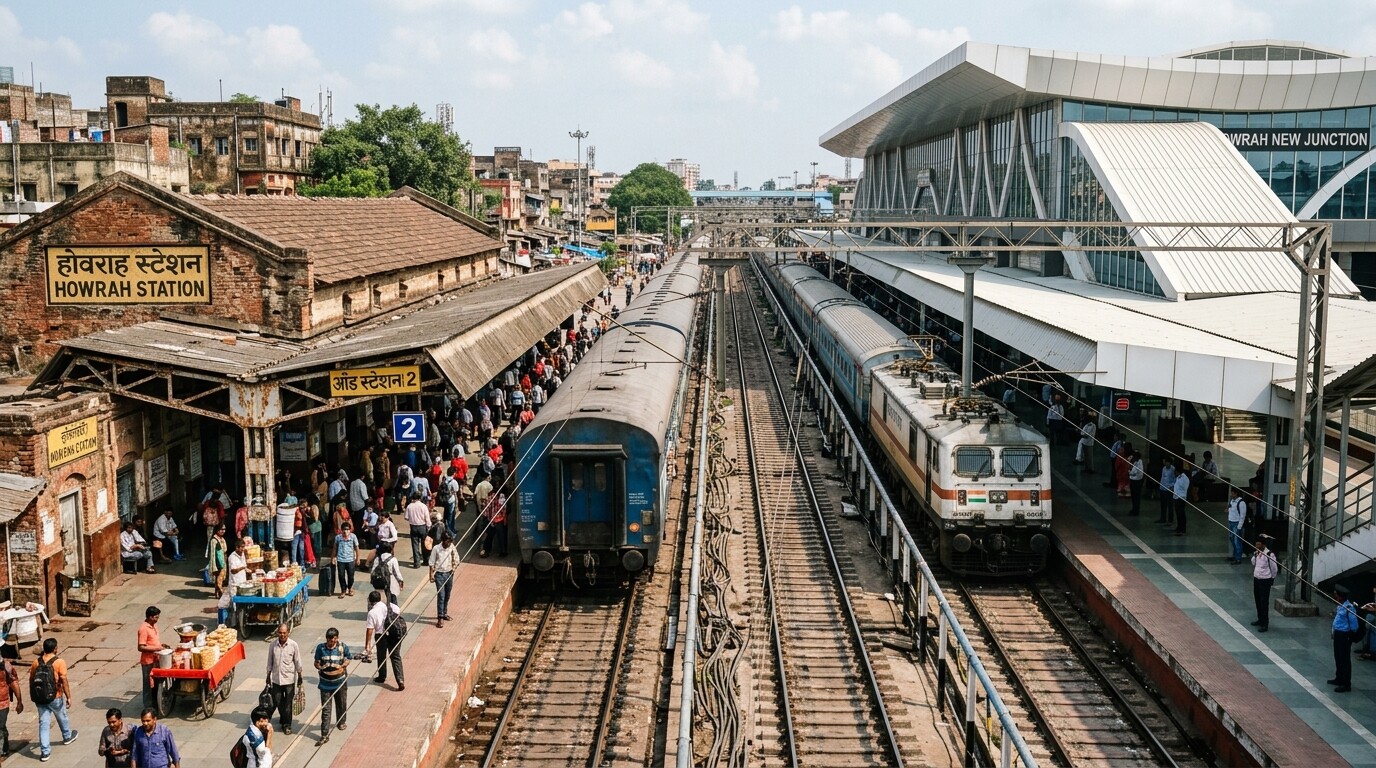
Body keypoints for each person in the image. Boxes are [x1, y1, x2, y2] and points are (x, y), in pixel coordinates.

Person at [29, 637, 76, 761]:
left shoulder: (36, 662)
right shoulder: (59, 662)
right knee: (62, 716)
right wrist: (69, 697)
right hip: (55, 696)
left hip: (40, 698)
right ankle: (67, 736)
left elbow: (32, 680)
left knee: (44, 724)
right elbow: (64, 680)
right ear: (55, 649)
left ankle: (45, 752)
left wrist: (34, 696)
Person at [313, 628, 354, 746]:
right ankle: (324, 734)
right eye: (330, 641)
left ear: (337, 638)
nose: (332, 643)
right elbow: (316, 662)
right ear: (327, 639)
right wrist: (319, 666)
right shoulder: (320, 648)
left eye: (334, 640)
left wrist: (343, 666)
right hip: (325, 683)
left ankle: (341, 721)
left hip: (340, 682)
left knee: (341, 702)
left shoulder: (342, 647)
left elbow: (349, 658)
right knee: (326, 710)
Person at [265, 623, 303, 735]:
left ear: (288, 633)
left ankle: (287, 725)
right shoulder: (273, 645)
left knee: (288, 704)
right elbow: (270, 661)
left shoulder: (293, 645)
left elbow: (297, 661)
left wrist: (300, 675)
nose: (282, 635)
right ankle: (283, 717)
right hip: (276, 680)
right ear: (278, 633)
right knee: (278, 701)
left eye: (284, 633)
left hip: (289, 680)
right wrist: (268, 675)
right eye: (280, 633)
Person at [364, 590, 404, 690]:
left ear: (370, 601)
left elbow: (369, 630)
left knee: (381, 656)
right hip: (394, 634)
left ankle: (382, 676)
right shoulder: (389, 606)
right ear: (379, 599)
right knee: (395, 657)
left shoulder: (372, 613)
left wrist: (367, 645)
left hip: (381, 635)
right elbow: (398, 611)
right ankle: (400, 680)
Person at [1329, 584, 1360, 693]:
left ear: (1341, 597)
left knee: (1345, 660)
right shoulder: (1340, 606)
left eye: (1336, 595)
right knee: (1338, 657)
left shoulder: (1349, 608)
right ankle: (1339, 678)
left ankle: (1346, 684)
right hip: (1338, 635)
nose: (1335, 596)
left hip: (1344, 636)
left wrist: (1348, 635)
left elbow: (1354, 626)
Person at [136, 606, 168, 712]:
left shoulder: (154, 626)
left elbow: (153, 641)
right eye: (156, 617)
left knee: (156, 684)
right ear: (150, 617)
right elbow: (141, 647)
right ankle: (148, 708)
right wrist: (157, 648)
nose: (157, 619)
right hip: (148, 661)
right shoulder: (143, 629)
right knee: (148, 685)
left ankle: (156, 705)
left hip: (156, 659)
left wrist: (161, 645)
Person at [0, 641, 23, 760]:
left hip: (2, 704)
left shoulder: (6, 666)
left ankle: (3, 752)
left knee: (0, 727)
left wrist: (19, 701)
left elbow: (14, 683)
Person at [430, 531, 458, 628]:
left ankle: (445, 613)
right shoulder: (436, 548)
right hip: (439, 575)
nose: (449, 543)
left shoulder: (452, 547)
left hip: (449, 573)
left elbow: (456, 558)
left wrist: (454, 567)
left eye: (450, 541)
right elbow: (431, 562)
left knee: (447, 595)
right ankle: (440, 617)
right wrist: (431, 575)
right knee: (441, 596)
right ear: (443, 540)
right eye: (447, 541)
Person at [1250, 537, 1279, 632]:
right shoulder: (1257, 553)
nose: (1257, 546)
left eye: (1259, 545)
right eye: (1256, 545)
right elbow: (1253, 563)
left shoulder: (1269, 555)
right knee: (1257, 600)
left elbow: (1274, 568)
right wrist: (1255, 555)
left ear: (1263, 545)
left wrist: (1272, 578)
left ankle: (1265, 623)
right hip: (1257, 579)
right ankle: (1260, 619)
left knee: (1264, 602)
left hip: (1265, 580)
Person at [222, 538, 249, 627]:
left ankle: (241, 621)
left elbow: (245, 565)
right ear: (236, 548)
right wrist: (243, 567)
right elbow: (233, 570)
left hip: (242, 583)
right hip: (234, 584)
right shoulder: (232, 557)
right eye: (241, 547)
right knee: (234, 606)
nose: (242, 549)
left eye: (243, 547)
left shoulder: (242, 555)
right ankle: (234, 625)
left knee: (242, 605)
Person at [404, 493, 430, 568]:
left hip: (413, 527)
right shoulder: (423, 506)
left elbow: (406, 517)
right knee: (424, 544)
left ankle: (417, 562)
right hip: (422, 526)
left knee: (415, 545)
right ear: (420, 498)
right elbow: (427, 518)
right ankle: (426, 560)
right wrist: (428, 526)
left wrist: (412, 519)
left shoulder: (409, 506)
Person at [480, 490, 508, 558]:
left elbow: (485, 512)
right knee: (501, 536)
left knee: (489, 536)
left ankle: (487, 551)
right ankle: (502, 551)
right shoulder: (501, 497)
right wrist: (505, 520)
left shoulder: (490, 498)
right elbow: (503, 510)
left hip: (491, 520)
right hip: (498, 520)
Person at [335, 522, 359, 598]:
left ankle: (350, 588)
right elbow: (335, 548)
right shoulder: (338, 537)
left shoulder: (353, 537)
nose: (346, 531)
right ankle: (343, 590)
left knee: (351, 576)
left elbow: (357, 548)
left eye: (347, 530)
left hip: (350, 560)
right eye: (344, 530)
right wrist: (333, 557)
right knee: (341, 576)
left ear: (350, 530)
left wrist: (357, 558)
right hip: (341, 559)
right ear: (341, 530)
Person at [1226, 488, 1248, 564]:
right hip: (1231, 522)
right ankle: (1235, 555)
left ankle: (1238, 558)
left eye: (1232, 493)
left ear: (1236, 494)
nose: (1231, 495)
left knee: (1237, 541)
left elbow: (1242, 515)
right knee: (1232, 539)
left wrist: (1239, 526)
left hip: (1236, 523)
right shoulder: (1232, 501)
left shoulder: (1241, 503)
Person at [208, 524, 228, 597]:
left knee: (220, 578)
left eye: (224, 529)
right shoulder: (214, 540)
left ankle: (217, 592)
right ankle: (220, 592)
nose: (223, 531)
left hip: (223, 561)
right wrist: (214, 565)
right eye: (221, 529)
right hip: (218, 562)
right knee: (219, 578)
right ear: (217, 530)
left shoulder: (222, 539)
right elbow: (213, 554)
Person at [1172, 461, 1191, 536]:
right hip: (1176, 497)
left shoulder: (1184, 478)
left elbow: (1183, 488)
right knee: (1178, 514)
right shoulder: (1178, 477)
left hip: (1181, 498)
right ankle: (1179, 527)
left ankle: (1182, 529)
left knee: (1181, 514)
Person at [1157, 461, 1177, 526]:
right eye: (1165, 462)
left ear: (1170, 463)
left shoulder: (1173, 469)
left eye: (1168, 462)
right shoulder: (1163, 468)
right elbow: (1162, 478)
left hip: (1169, 489)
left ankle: (1170, 520)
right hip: (1162, 488)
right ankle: (1163, 519)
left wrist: (1172, 486)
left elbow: (1175, 479)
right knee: (1163, 505)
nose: (1166, 464)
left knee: (1170, 505)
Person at [1127, 451, 1145, 516]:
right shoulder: (1136, 462)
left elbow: (1136, 472)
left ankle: (1136, 511)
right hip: (1133, 480)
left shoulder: (1139, 463)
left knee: (1136, 497)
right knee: (1134, 497)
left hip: (1137, 482)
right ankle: (1134, 509)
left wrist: (1130, 472)